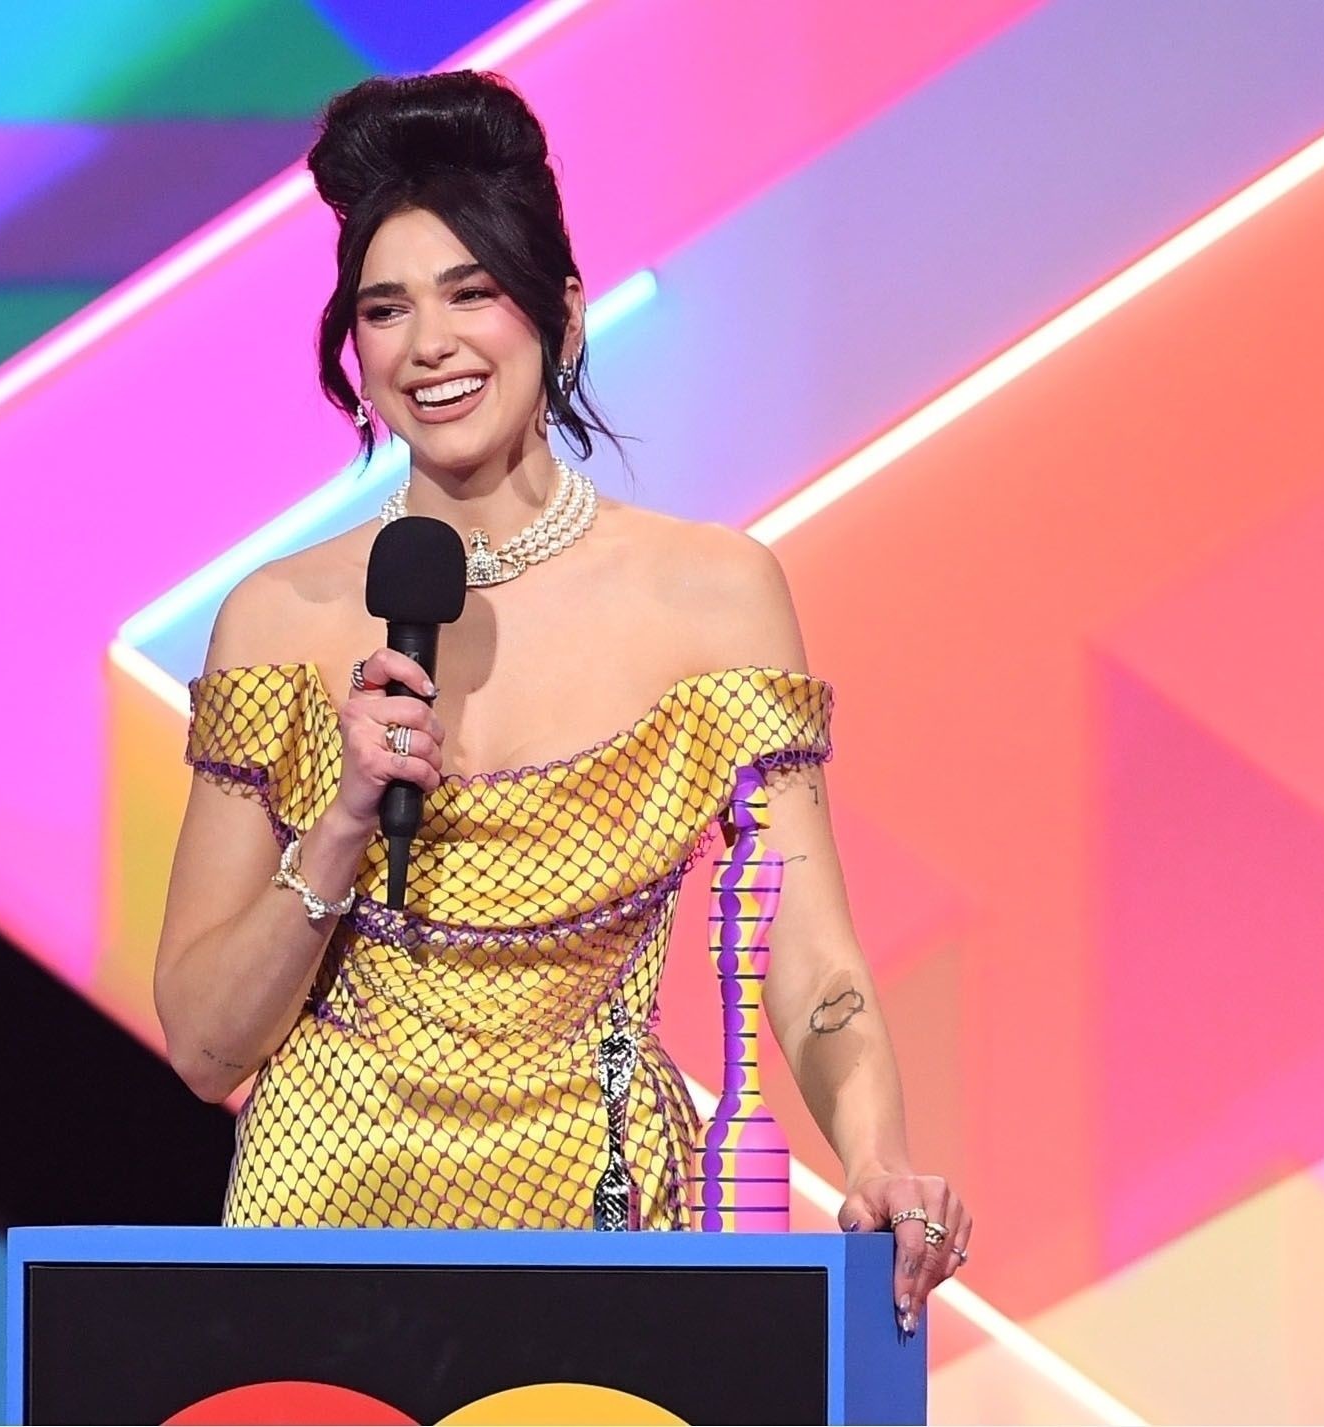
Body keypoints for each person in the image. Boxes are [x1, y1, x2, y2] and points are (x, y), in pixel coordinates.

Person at [153, 69, 968, 1336]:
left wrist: (875, 1154)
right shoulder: (279, 619)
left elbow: (804, 950)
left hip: (602, 1226)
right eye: (384, 308)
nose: (428, 344)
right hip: (324, 1225)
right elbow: (205, 1043)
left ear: (563, 316)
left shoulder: (711, 596)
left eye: (470, 291)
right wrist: (342, 822)